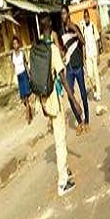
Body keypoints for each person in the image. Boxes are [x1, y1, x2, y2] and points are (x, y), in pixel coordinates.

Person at [39, 15, 81, 197]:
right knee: (60, 140)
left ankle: (65, 169)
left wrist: (41, 104)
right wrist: (75, 102)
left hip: (44, 99)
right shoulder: (53, 50)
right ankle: (62, 182)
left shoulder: (37, 48)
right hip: (54, 100)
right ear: (51, 28)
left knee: (59, 137)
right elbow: (63, 78)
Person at [60, 5, 89, 135]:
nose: (63, 16)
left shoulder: (75, 27)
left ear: (68, 14)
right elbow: (63, 50)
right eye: (61, 14)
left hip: (78, 66)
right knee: (70, 96)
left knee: (83, 94)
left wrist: (75, 31)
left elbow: (83, 41)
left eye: (64, 13)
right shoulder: (61, 33)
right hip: (69, 68)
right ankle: (79, 121)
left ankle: (87, 120)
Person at [80, 9, 102, 102]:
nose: (86, 18)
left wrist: (98, 56)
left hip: (94, 54)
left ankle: (98, 93)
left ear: (89, 16)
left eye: (87, 16)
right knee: (89, 75)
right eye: (85, 17)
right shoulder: (83, 28)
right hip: (88, 55)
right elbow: (83, 44)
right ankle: (95, 90)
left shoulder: (93, 26)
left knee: (96, 74)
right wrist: (83, 56)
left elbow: (97, 41)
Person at [11, 36, 32, 124]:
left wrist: (30, 75)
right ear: (12, 45)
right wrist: (11, 79)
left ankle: (28, 116)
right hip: (18, 76)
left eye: (17, 43)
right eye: (14, 44)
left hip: (24, 75)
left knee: (26, 97)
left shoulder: (22, 53)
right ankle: (29, 108)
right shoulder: (12, 56)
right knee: (23, 98)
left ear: (19, 44)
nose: (16, 45)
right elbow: (12, 67)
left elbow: (25, 64)